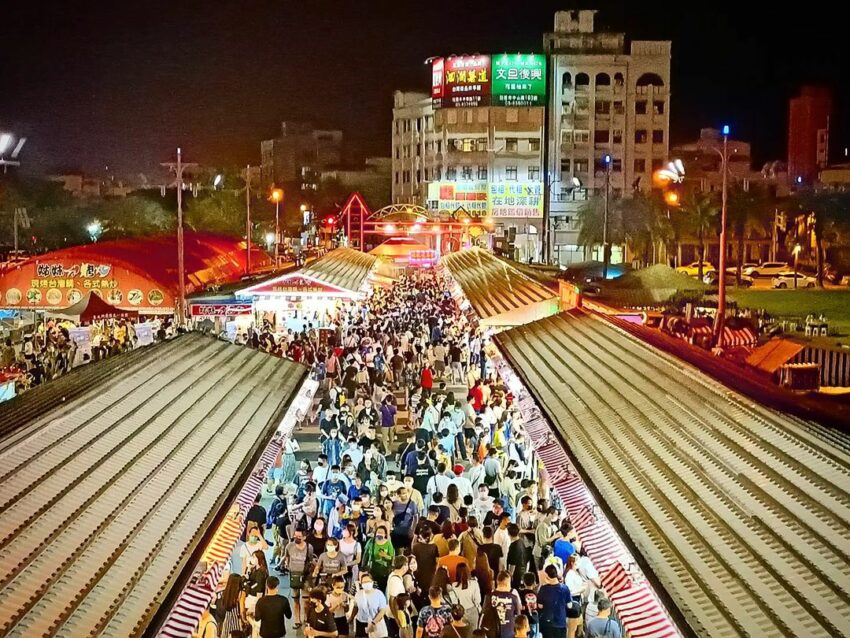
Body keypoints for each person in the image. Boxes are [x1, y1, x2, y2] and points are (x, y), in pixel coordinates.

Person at [284, 530, 315, 628]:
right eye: (295, 536)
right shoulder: (289, 546)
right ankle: (297, 620)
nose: (296, 538)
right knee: (295, 600)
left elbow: (311, 560)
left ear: (304, 537)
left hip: (305, 576)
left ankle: (306, 619)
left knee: (306, 601)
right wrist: (287, 565)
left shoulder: (309, 547)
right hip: (294, 576)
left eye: (299, 536)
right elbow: (286, 557)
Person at [536, 565, 575, 638]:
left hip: (547, 624)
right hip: (560, 623)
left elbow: (540, 606)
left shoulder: (543, 589)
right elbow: (570, 605)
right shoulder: (564, 588)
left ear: (547, 575)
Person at [351, 572, 391, 638]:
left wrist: (373, 622)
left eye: (368, 581)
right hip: (361, 623)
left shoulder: (379, 594)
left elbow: (382, 611)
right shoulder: (358, 594)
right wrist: (351, 618)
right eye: (364, 582)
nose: (366, 583)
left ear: (372, 582)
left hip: (375, 623)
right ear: (361, 583)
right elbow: (356, 607)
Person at [480, 571, 519, 638]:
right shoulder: (514, 598)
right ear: (507, 583)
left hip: (492, 633)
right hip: (509, 633)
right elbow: (517, 615)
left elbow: (483, 615)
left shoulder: (488, 597)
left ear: (497, 582)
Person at [363, 525, 396, 591]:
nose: (380, 534)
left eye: (382, 532)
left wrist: (385, 556)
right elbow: (365, 555)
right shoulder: (371, 542)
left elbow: (392, 558)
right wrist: (363, 568)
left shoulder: (388, 543)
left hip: (384, 571)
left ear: (385, 534)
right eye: (378, 532)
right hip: (372, 570)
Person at [452, 562, 481, 629]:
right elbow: (478, 600)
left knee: (463, 632)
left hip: (461, 612)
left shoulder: (454, 586)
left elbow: (454, 602)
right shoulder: (474, 583)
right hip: (473, 611)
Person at [244, 550, 270, 618]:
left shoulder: (260, 573)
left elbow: (259, 589)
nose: (252, 559)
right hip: (252, 597)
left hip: (254, 598)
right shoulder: (256, 570)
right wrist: (249, 568)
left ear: (259, 559)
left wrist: (255, 606)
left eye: (254, 557)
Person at [505, 524, 528, 590]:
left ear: (509, 534)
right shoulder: (521, 541)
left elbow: (513, 563)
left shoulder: (513, 546)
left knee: (515, 589)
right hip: (522, 569)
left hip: (516, 573)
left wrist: (510, 575)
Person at [517, 573, 539, 638]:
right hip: (534, 620)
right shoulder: (536, 594)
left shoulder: (520, 593)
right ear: (534, 583)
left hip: (524, 621)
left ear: (523, 582)